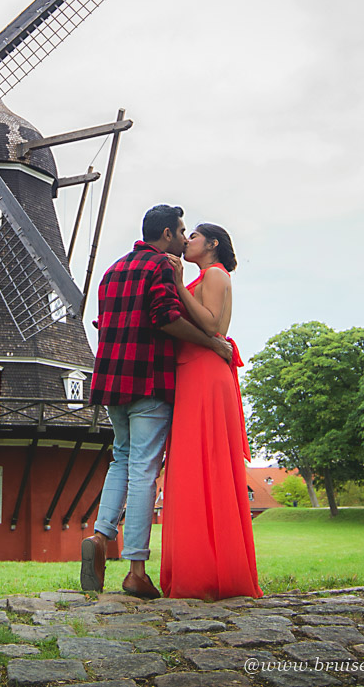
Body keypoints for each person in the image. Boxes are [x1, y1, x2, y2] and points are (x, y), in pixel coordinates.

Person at [82, 205, 233, 597]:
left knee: (121, 459)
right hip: (149, 381)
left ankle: (99, 537)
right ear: (166, 234)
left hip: (112, 382)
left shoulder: (112, 271)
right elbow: (166, 317)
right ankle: (135, 569)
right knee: (144, 470)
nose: (185, 239)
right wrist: (211, 343)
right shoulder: (161, 267)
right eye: (182, 231)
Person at [159, 223, 262, 600]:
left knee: (206, 463)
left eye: (195, 237)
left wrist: (180, 287)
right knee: (191, 466)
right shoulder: (205, 276)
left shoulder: (215, 274)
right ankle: (198, 566)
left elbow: (215, 325)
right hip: (194, 372)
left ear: (213, 244)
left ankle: (213, 570)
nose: (188, 241)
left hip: (205, 372)